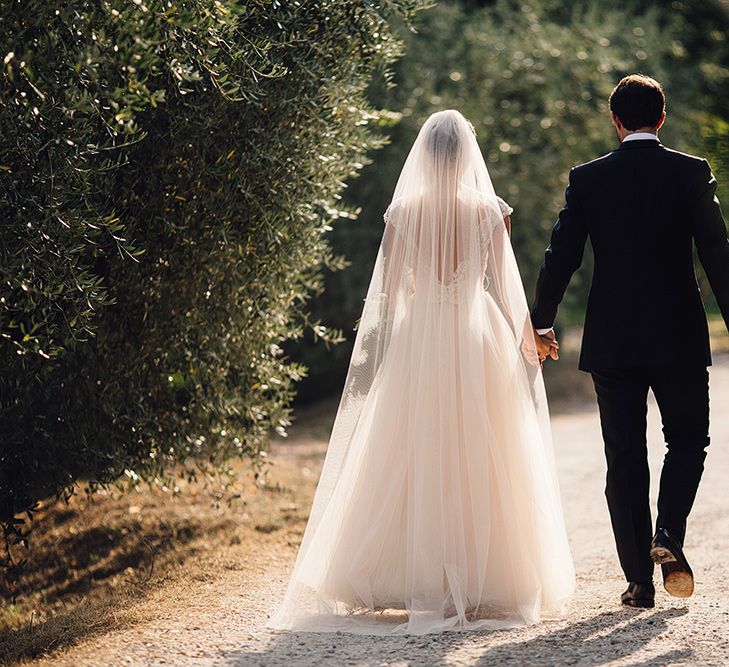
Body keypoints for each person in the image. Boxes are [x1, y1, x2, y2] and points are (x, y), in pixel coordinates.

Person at [267, 110, 574, 635]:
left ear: (425, 157)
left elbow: (390, 289)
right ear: (467, 157)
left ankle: (403, 575)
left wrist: (400, 335)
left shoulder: (402, 213)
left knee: (412, 449)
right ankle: (487, 580)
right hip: (476, 335)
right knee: (480, 450)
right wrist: (531, 338)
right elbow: (506, 284)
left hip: (419, 337)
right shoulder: (487, 211)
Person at [531, 74, 729, 608]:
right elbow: (718, 253)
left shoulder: (589, 178)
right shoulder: (691, 173)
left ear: (615, 121)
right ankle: (668, 534)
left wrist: (540, 320)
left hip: (613, 340)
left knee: (624, 456)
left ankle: (639, 582)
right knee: (688, 439)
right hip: (679, 336)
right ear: (661, 118)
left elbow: (561, 255)